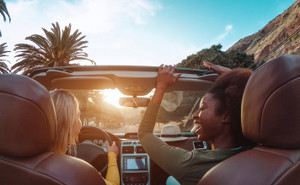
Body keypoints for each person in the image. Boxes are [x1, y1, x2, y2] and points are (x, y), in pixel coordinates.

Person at [138, 64, 253, 185]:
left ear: (226, 115)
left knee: (170, 180)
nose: (195, 115)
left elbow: (144, 133)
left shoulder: (191, 164)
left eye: (202, 108)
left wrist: (160, 87)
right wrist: (234, 77)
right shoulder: (256, 152)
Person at [50, 89, 120, 185]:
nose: (80, 122)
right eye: (78, 115)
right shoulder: (81, 171)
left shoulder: (27, 164)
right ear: (68, 124)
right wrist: (112, 155)